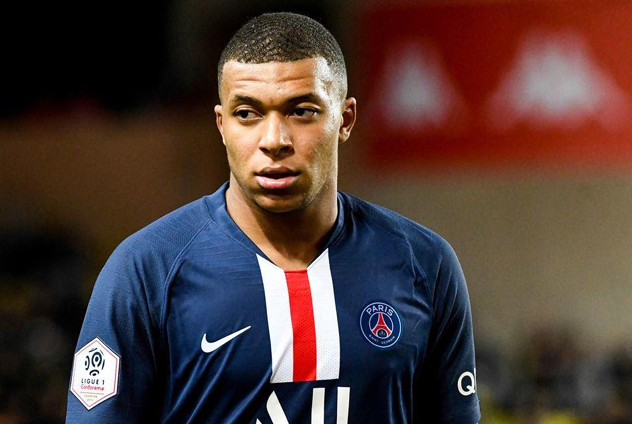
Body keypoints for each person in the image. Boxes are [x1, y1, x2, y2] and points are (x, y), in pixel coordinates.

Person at [66, 12, 480, 423]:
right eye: (247, 113)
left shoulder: (424, 264)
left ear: (345, 119)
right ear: (222, 125)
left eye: (301, 111)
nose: (274, 140)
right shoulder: (147, 269)